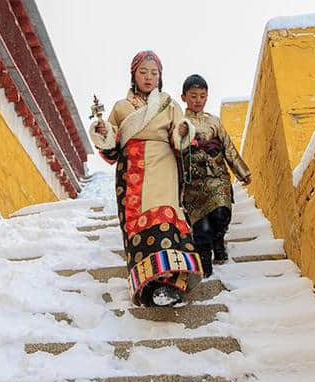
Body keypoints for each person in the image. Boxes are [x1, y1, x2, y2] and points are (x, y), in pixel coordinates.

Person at [89, 51, 202, 307]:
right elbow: (111, 149)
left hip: (162, 165)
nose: (149, 77)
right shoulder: (120, 107)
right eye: (143, 72)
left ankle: (171, 283)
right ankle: (148, 285)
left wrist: (184, 130)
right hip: (132, 171)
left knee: (165, 217)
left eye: (154, 73)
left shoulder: (169, 105)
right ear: (133, 75)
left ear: (160, 76)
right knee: (138, 228)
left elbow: (180, 137)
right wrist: (103, 132)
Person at [180, 74, 251, 277]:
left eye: (202, 96)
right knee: (201, 227)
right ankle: (205, 267)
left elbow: (228, 147)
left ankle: (218, 239)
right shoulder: (179, 122)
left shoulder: (215, 121)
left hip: (217, 175)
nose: (198, 100)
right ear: (184, 97)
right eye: (193, 96)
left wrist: (242, 171)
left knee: (221, 214)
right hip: (192, 181)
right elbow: (174, 149)